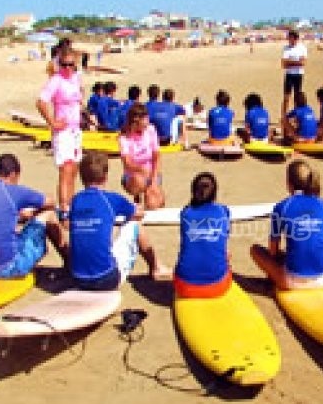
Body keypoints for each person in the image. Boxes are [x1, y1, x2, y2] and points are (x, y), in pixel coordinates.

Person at [69, 151, 171, 289]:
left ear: (81, 178)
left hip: (77, 277)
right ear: (105, 177)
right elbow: (137, 213)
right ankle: (156, 266)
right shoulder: (111, 199)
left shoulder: (75, 201)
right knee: (135, 226)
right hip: (105, 278)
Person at [0, 153, 68, 278]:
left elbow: (0, 218)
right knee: (49, 214)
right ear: (13, 174)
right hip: (5, 268)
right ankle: (69, 261)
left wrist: (23, 215)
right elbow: (50, 201)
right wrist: (36, 212)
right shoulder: (13, 190)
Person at [251, 160, 323, 290]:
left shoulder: (282, 207)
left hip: (292, 281)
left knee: (255, 250)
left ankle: (275, 279)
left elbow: (273, 249)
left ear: (289, 184)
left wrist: (276, 264)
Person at [36, 48, 84, 220]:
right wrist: (52, 121)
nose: (68, 68)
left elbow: (80, 97)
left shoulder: (76, 78)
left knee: (74, 169)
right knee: (65, 169)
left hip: (76, 129)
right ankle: (64, 210)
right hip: (62, 131)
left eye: (71, 65)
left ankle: (69, 207)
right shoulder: (56, 81)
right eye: (64, 65)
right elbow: (41, 102)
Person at [174, 172, 232, 298]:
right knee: (225, 254)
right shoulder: (224, 211)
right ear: (214, 192)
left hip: (184, 287)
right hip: (217, 287)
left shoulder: (185, 213)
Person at [119, 102, 165, 209]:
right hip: (133, 175)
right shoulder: (124, 138)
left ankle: (150, 193)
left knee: (154, 205)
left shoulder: (151, 130)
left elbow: (156, 156)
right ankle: (138, 195)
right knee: (138, 180)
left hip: (151, 172)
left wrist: (153, 179)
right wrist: (142, 169)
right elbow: (128, 163)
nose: (147, 123)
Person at [280, 29, 307, 121]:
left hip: (298, 75)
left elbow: (303, 63)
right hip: (289, 75)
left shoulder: (302, 48)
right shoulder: (286, 48)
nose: (289, 40)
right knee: (286, 97)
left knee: (297, 97)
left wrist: (290, 62)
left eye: (290, 38)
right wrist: (296, 62)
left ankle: (296, 116)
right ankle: (283, 117)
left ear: (295, 38)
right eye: (288, 38)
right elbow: (283, 64)